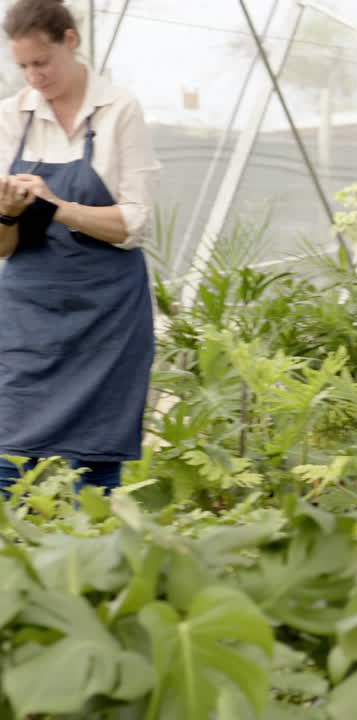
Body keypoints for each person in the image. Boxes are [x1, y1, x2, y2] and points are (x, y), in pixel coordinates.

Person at [0, 0, 159, 495]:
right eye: (22, 65)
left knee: (94, 460)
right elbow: (4, 247)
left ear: (70, 40)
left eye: (41, 62)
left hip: (106, 315)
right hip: (29, 311)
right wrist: (9, 212)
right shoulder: (11, 116)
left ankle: (91, 566)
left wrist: (53, 204)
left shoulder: (118, 111)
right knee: (8, 456)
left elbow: (133, 223)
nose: (33, 76)